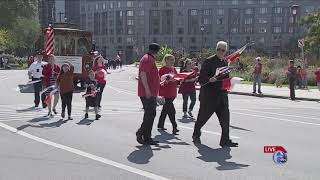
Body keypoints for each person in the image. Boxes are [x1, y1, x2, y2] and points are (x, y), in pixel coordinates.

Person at [192, 41, 238, 147]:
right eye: (219, 49)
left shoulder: (225, 62)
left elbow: (225, 77)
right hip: (209, 96)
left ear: (226, 51)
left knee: (225, 119)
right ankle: (196, 135)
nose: (221, 52)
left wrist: (230, 83)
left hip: (222, 95)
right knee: (202, 117)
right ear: (216, 49)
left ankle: (225, 140)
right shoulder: (209, 61)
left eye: (223, 50)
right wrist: (209, 79)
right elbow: (201, 78)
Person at [136, 43, 161, 145]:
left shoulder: (148, 58)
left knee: (150, 114)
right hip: (148, 92)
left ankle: (147, 137)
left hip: (150, 91)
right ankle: (141, 132)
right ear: (156, 51)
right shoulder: (148, 59)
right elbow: (143, 74)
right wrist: (147, 90)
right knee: (150, 114)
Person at [157, 54, 179, 134]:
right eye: (171, 59)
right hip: (165, 92)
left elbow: (177, 78)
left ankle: (160, 124)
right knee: (171, 110)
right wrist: (167, 81)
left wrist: (179, 80)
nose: (172, 61)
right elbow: (160, 81)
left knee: (166, 109)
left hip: (172, 92)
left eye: (173, 59)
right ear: (166, 60)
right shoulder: (162, 69)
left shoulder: (173, 69)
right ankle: (174, 126)